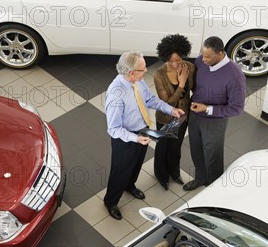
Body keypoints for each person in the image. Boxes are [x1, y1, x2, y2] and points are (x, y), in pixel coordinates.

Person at [104, 51, 184, 220]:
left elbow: (150, 100)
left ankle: (130, 185)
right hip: (126, 138)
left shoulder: (138, 82)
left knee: (136, 164)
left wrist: (171, 109)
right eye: (142, 68)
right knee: (120, 170)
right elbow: (114, 128)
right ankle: (111, 201)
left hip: (142, 131)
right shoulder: (116, 94)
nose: (146, 70)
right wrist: (135, 138)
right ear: (131, 72)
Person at [183, 36, 246, 191]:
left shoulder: (235, 76)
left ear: (220, 54)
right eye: (202, 55)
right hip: (195, 116)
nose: (203, 59)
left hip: (215, 121)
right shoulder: (200, 61)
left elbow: (237, 108)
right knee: (196, 149)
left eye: (207, 56)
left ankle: (214, 187)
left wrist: (207, 108)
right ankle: (200, 178)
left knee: (213, 155)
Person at [153, 34, 196, 190]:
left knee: (176, 147)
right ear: (165, 58)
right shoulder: (159, 75)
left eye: (178, 60)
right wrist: (181, 84)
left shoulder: (189, 68)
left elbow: (195, 89)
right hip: (166, 117)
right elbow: (167, 102)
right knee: (162, 147)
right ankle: (161, 175)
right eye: (171, 61)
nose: (175, 64)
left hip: (183, 116)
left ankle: (174, 172)